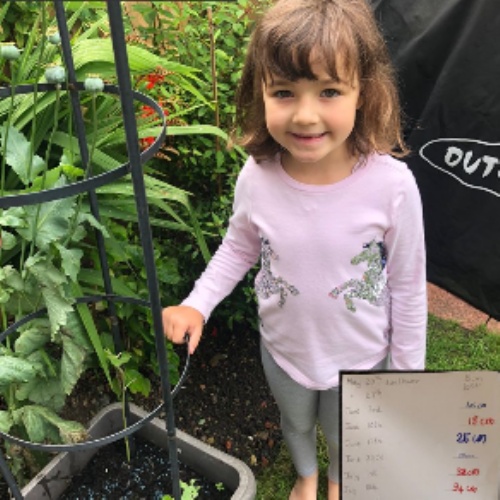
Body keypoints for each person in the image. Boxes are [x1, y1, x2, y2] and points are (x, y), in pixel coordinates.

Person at [163, 0, 427, 498]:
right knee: (296, 423)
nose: (306, 115)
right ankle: (306, 475)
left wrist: (407, 376)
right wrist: (197, 303)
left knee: (346, 434)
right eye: (284, 92)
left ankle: (338, 479)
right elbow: (238, 248)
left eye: (329, 91)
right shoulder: (257, 177)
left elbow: (409, 288)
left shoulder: (392, 187)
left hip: (362, 358)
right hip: (283, 351)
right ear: (259, 92)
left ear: (364, 91)